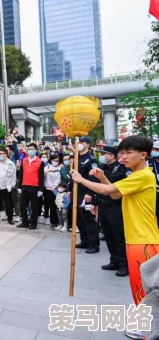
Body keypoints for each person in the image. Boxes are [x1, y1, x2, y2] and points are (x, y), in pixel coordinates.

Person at [71, 136, 159, 340]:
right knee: (142, 286)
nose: (124, 156)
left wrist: (82, 180)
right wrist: (102, 177)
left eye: (129, 152)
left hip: (143, 240)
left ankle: (144, 329)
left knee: (143, 288)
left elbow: (108, 191)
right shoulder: (138, 175)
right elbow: (116, 195)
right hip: (139, 238)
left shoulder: (142, 176)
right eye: (122, 152)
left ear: (143, 155)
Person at [95, 146, 129, 277]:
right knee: (108, 234)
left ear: (113, 155)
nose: (102, 156)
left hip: (115, 206)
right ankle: (114, 260)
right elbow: (98, 186)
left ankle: (124, 265)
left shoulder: (122, 169)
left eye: (104, 153)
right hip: (102, 205)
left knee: (118, 236)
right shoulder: (102, 168)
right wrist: (94, 202)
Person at [69, 137, 100, 254]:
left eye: (81, 143)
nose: (79, 145)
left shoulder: (91, 159)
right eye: (78, 142)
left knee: (88, 219)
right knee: (78, 218)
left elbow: (93, 177)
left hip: (85, 192)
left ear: (87, 144)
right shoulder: (76, 158)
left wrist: (89, 193)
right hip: (75, 191)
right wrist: (69, 189)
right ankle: (84, 240)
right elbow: (72, 174)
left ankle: (94, 244)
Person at [16, 143, 45, 230]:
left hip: (35, 187)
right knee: (22, 205)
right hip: (25, 185)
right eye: (29, 149)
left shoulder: (40, 162)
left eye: (32, 149)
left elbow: (41, 176)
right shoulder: (24, 160)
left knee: (34, 207)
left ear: (36, 150)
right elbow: (21, 174)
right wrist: (19, 186)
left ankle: (33, 223)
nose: (30, 150)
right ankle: (25, 221)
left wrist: (40, 189)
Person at [43, 153, 62, 227]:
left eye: (57, 160)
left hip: (58, 189)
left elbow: (59, 178)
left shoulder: (60, 168)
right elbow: (43, 175)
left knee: (58, 205)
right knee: (51, 205)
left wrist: (55, 186)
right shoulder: (47, 167)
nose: (55, 162)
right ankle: (53, 222)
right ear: (51, 160)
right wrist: (48, 170)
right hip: (48, 189)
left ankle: (59, 221)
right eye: (54, 160)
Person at [150, 141, 159, 227]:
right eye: (154, 149)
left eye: (157, 149)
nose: (155, 151)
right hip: (154, 193)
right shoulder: (149, 162)